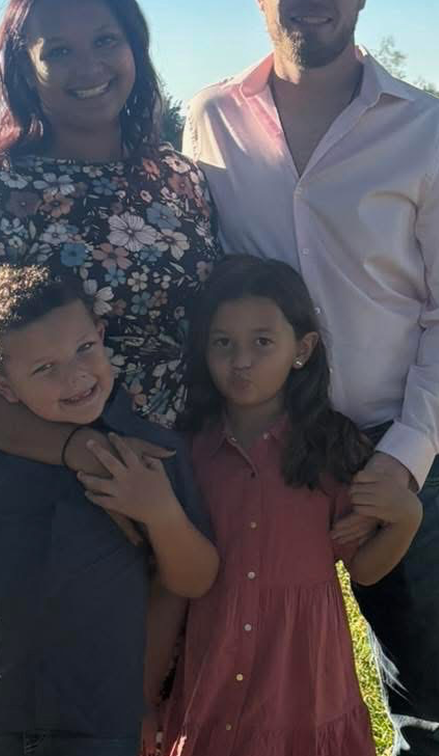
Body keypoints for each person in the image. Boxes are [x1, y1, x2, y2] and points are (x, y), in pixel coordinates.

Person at [182, 0, 439, 756]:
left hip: (397, 452)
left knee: (431, 710)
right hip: (261, 457)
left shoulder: (428, 130)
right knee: (249, 693)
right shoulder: (211, 119)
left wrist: (406, 457)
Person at [0, 265, 218, 755]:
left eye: (84, 348)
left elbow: (194, 580)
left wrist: (160, 511)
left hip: (99, 720)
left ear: (101, 334)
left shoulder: (147, 450)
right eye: (44, 368)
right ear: (3, 387)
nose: (75, 375)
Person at [0, 0, 220, 499]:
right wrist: (80, 452)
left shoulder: (182, 179)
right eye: (58, 51)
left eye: (106, 41)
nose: (89, 67)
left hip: (187, 478)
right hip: (53, 489)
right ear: (24, 70)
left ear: (135, 48)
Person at [136, 255, 421, 755]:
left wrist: (406, 519)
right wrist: (144, 695)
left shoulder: (331, 448)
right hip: (209, 668)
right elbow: (168, 583)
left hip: (301, 679)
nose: (241, 361)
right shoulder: (188, 450)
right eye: (223, 343)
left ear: (302, 349)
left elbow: (365, 568)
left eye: (262, 342)